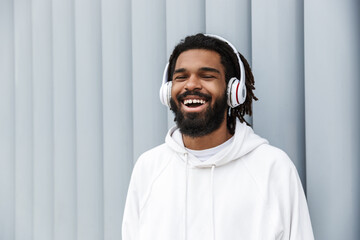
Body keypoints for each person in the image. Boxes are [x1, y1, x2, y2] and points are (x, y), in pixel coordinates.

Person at [122, 33, 314, 240]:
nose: (191, 85)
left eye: (207, 76)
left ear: (233, 91)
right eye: (181, 77)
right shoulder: (149, 167)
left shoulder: (273, 168)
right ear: (167, 92)